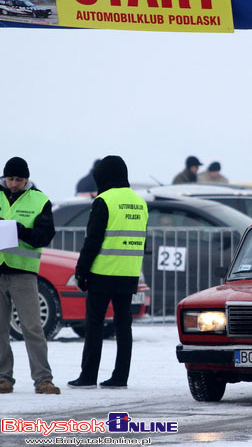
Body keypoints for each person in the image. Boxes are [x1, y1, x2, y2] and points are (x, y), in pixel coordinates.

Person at [68, 156, 148, 389]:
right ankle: (120, 377)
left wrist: (82, 270)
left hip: (103, 272)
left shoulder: (104, 200)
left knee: (94, 324)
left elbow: (93, 239)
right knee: (124, 326)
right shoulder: (139, 202)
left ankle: (88, 376)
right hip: (129, 272)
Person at [0, 157, 60, 394]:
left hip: (23, 273)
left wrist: (20, 231)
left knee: (32, 327)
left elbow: (44, 236)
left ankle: (43, 379)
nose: (14, 184)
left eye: (19, 179)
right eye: (10, 178)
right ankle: (3, 378)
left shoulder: (40, 200)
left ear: (27, 178)